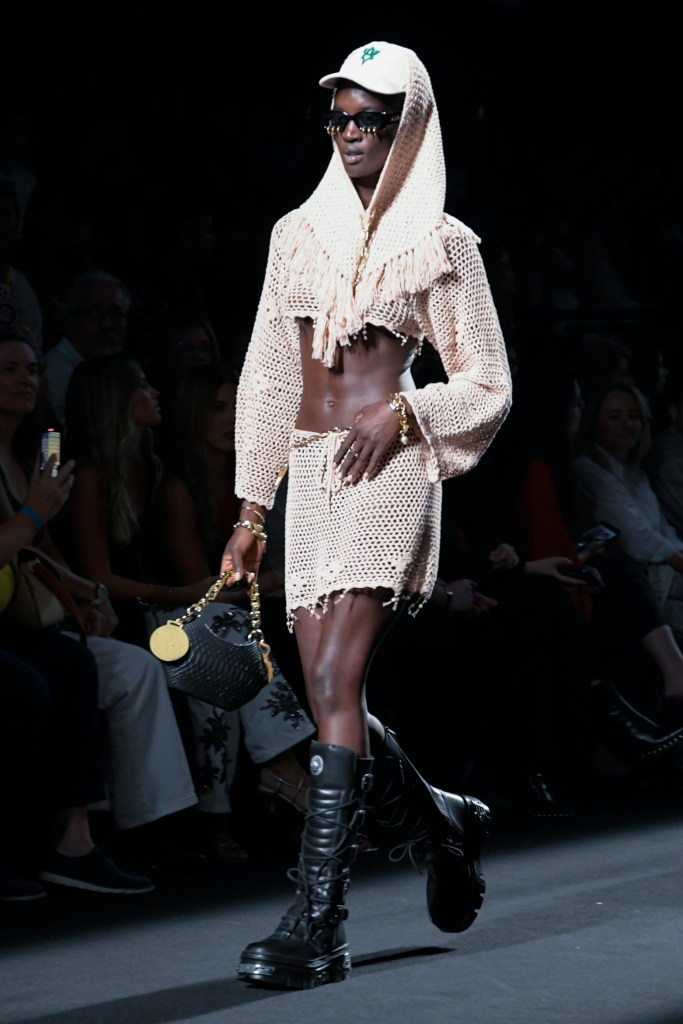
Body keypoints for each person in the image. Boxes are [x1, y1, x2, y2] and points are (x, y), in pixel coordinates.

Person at [219, 41, 512, 989]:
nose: (349, 134)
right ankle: (443, 821)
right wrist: (251, 505)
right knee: (328, 696)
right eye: (339, 117)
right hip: (309, 475)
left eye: (370, 120)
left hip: (389, 469)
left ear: (408, 127)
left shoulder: (443, 241)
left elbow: (488, 382)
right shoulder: (294, 235)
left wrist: (405, 413)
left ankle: (319, 921)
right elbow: (269, 375)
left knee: (335, 679)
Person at [61, 353, 317, 861]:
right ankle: (282, 773)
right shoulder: (92, 471)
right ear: (115, 400)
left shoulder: (145, 464)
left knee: (216, 657)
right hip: (121, 617)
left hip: (164, 611)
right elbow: (100, 578)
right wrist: (184, 595)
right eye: (141, 385)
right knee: (218, 626)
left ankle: (222, 814)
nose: (154, 392)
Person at [0, 325, 201, 878]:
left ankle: (149, 830)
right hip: (13, 623)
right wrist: (36, 511)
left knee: (135, 668)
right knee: (66, 671)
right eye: (9, 370)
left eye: (32, 370)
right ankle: (64, 840)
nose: (24, 380)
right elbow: (22, 538)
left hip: (35, 612)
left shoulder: (33, 449)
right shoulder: (47, 466)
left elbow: (42, 550)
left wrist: (88, 594)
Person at [572, 377, 683, 724]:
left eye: (633, 416)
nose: (627, 425)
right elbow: (637, 538)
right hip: (640, 586)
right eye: (615, 416)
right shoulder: (589, 470)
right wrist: (679, 560)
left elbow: (662, 529)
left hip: (664, 575)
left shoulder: (635, 472)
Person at [41, 269, 130, 425]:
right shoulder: (54, 375)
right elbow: (49, 436)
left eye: (116, 314)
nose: (107, 324)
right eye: (93, 312)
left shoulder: (118, 372)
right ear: (70, 320)